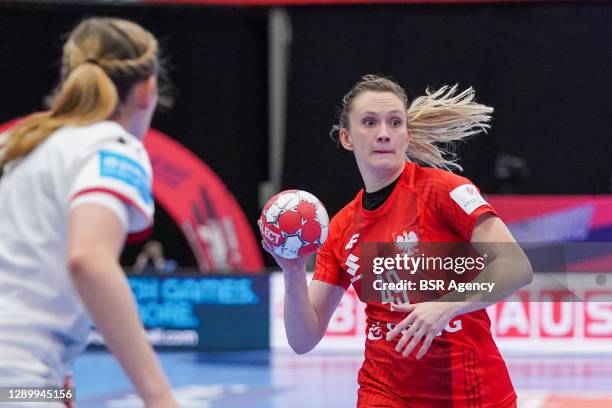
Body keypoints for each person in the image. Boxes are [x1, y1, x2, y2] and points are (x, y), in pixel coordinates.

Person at [262, 75, 533, 407]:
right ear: (347, 138)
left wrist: (446, 306)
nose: (383, 133)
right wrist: (292, 270)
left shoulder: (443, 191)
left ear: (407, 134)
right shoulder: (342, 227)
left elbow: (516, 265)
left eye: (394, 122)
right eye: (369, 122)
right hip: (385, 391)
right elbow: (303, 339)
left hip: (471, 390)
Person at [0, 18, 178, 408]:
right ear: (147, 90)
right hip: (15, 374)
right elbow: (89, 260)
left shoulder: (14, 145)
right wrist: (160, 397)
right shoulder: (112, 147)